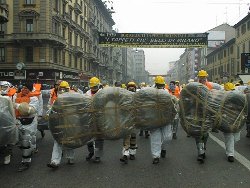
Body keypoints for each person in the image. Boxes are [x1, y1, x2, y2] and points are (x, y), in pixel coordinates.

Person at [47, 81, 75, 168]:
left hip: (70, 122)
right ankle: (55, 161)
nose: (62, 91)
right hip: (59, 122)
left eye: (64, 89)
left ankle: (70, 158)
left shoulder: (74, 97)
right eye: (61, 89)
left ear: (68, 89)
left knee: (70, 140)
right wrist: (49, 114)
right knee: (57, 140)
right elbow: (50, 107)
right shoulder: (56, 98)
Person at [13, 82, 39, 172]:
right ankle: (32, 148)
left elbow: (28, 111)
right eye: (23, 87)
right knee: (22, 141)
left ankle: (26, 161)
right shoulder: (16, 96)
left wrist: (17, 106)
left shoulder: (34, 98)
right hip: (18, 121)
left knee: (26, 141)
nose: (24, 89)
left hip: (29, 122)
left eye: (26, 88)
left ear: (30, 89)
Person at [150, 76, 172, 164]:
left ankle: (163, 148)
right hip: (154, 118)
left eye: (161, 85)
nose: (160, 86)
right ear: (156, 84)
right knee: (155, 138)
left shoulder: (166, 92)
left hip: (166, 118)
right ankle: (156, 156)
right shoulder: (150, 92)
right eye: (158, 85)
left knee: (167, 137)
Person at [195, 70, 212, 163]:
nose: (202, 79)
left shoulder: (210, 86)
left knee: (205, 134)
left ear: (206, 77)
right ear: (198, 78)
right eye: (201, 77)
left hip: (208, 114)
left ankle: (203, 148)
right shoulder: (194, 87)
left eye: (204, 77)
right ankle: (200, 153)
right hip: (197, 114)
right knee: (198, 133)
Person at [85, 77, 103, 163]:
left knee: (99, 138)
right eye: (92, 86)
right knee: (88, 138)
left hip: (99, 118)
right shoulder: (87, 93)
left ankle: (98, 156)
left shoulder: (102, 93)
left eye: (95, 86)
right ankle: (91, 152)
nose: (93, 88)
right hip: (89, 118)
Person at [119, 82, 137, 164]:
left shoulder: (138, 97)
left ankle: (132, 153)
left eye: (133, 87)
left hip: (135, 120)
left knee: (133, 137)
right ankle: (125, 154)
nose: (131, 88)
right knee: (126, 137)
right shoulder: (124, 97)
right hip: (126, 120)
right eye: (130, 87)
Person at [223, 82, 241, 162]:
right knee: (229, 136)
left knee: (236, 137)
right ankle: (230, 154)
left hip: (237, 119)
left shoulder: (238, 97)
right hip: (227, 119)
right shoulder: (222, 98)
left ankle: (230, 149)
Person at [0, 81, 16, 165]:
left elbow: (12, 110)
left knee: (8, 138)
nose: (3, 88)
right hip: (1, 121)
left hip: (7, 121)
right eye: (2, 87)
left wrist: (14, 121)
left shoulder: (10, 97)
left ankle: (7, 154)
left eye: (5, 87)